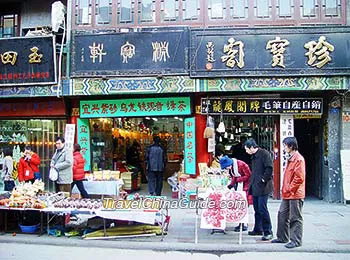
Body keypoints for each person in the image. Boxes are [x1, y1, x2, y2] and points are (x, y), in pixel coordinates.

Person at [271, 137, 305, 249]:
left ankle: (296, 240)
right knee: (282, 214)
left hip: (295, 193)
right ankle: (282, 237)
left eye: (285, 145)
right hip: (287, 193)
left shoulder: (298, 159)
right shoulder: (291, 158)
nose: (284, 147)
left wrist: (290, 189)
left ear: (291, 146)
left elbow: (299, 178)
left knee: (295, 217)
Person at [245, 138, 274, 241]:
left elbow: (269, 168)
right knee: (256, 209)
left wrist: (263, 180)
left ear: (252, 147)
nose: (246, 152)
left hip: (263, 187)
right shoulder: (253, 157)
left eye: (247, 149)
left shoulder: (264, 154)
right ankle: (258, 228)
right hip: (255, 185)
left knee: (262, 208)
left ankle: (268, 231)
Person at [219, 154, 253, 232]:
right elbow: (234, 176)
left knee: (244, 205)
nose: (227, 169)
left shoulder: (241, 164)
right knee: (239, 205)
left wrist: (238, 180)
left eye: (226, 167)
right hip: (239, 186)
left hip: (246, 187)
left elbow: (249, 175)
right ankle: (240, 223)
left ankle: (244, 224)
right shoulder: (232, 167)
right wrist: (230, 185)